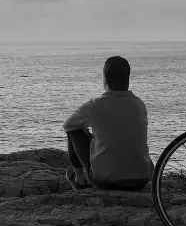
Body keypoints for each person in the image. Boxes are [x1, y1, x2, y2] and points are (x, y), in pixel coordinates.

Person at [62, 56, 153, 191]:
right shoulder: (139, 104)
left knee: (75, 130)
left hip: (105, 181)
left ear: (105, 78)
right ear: (128, 78)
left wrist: (89, 135)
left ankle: (80, 180)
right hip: (141, 179)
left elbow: (68, 125)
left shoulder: (95, 105)